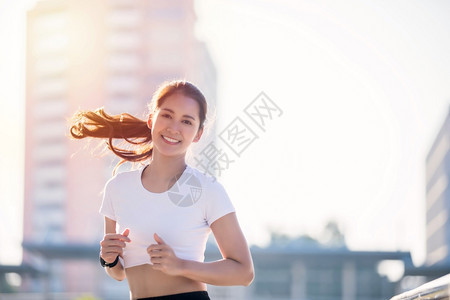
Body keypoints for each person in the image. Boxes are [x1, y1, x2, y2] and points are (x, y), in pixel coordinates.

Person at [69, 80, 254, 300]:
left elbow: (244, 273)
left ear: (197, 134)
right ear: (151, 119)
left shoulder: (207, 190)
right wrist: (109, 259)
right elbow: (118, 273)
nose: (174, 128)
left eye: (186, 121)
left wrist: (180, 266)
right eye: (167, 115)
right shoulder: (117, 188)